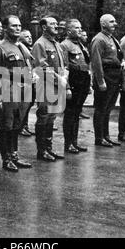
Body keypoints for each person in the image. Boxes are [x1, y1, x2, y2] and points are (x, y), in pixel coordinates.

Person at [0, 15, 34, 172]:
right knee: (6, 125)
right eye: (14, 26)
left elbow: (29, 65)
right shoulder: (0, 48)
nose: (18, 28)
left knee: (17, 125)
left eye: (19, 25)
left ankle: (14, 154)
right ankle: (6, 158)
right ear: (5, 28)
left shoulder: (22, 47)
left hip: (23, 91)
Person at [32, 17, 71, 161]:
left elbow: (64, 65)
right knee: (44, 117)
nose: (56, 26)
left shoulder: (57, 44)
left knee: (51, 118)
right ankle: (41, 151)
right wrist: (58, 79)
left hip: (58, 85)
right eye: (52, 24)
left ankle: (49, 148)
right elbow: (41, 67)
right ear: (43, 27)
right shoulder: (40, 44)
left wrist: (65, 79)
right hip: (46, 86)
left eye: (56, 23)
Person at [91, 14, 125, 148]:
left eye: (115, 21)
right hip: (106, 75)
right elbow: (96, 62)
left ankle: (106, 136)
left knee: (108, 108)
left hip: (114, 76)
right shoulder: (99, 39)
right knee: (101, 108)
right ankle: (99, 137)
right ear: (103, 24)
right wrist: (100, 81)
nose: (115, 24)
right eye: (111, 22)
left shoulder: (112, 39)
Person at [60, 19, 91, 154]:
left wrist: (88, 84)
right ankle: (68, 143)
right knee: (70, 113)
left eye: (80, 27)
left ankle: (75, 141)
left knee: (77, 113)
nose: (79, 30)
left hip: (82, 81)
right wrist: (66, 87)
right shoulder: (64, 45)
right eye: (76, 28)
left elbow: (86, 65)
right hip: (73, 81)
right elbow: (64, 68)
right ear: (68, 31)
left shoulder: (80, 45)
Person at [19, 29, 35, 136]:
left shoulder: (31, 49)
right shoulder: (19, 49)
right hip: (22, 81)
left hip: (31, 80)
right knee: (23, 105)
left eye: (30, 36)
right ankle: (20, 127)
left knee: (30, 104)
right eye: (26, 36)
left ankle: (25, 125)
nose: (29, 38)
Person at [78, 30, 91, 120]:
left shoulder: (84, 47)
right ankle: (78, 111)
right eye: (83, 35)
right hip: (79, 74)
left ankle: (80, 110)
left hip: (86, 72)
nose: (86, 37)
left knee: (85, 93)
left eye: (86, 35)